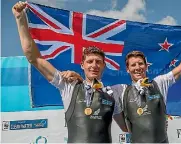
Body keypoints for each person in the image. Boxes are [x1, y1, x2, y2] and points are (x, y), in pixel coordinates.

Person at [62, 29, 181, 143]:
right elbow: (93, 87)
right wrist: (79, 78)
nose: (137, 68)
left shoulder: (159, 83)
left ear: (146, 66)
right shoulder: (120, 90)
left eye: (140, 64)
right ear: (128, 69)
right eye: (133, 65)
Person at [12, 1, 127, 143]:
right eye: (90, 61)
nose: (94, 65)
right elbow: (34, 57)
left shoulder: (113, 94)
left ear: (104, 65)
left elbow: (127, 127)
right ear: (82, 65)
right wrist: (20, 19)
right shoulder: (69, 86)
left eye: (98, 62)